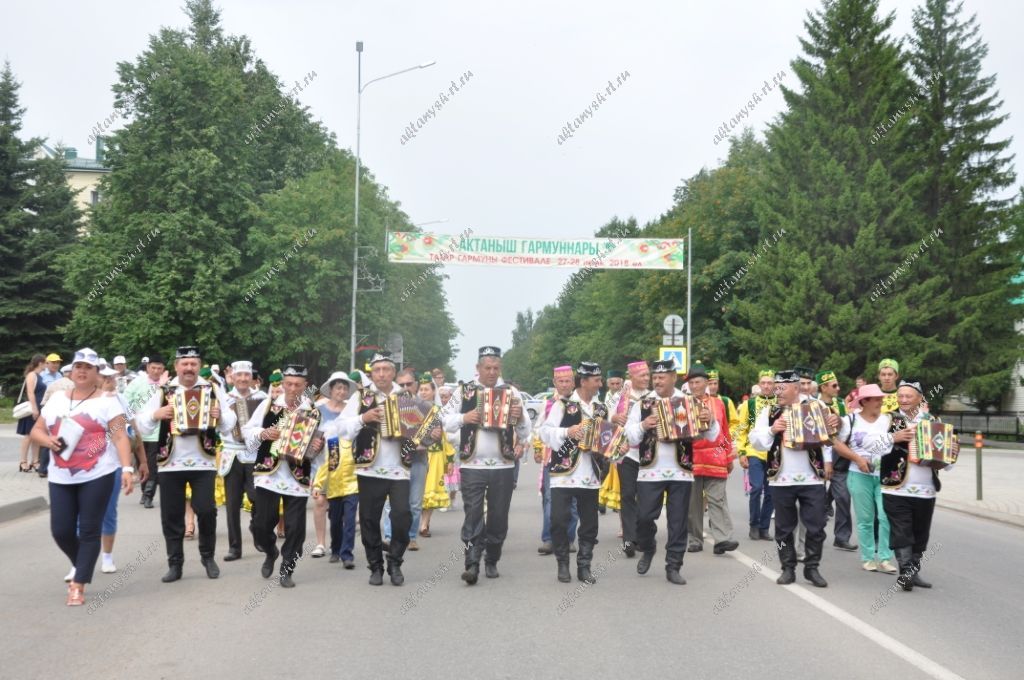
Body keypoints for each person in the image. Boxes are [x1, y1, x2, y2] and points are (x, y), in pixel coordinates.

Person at [30, 348, 136, 606]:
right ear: (71, 370)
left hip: (97, 474)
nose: (82, 371)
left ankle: (78, 584)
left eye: (88, 367)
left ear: (96, 373)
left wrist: (127, 469)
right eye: (78, 366)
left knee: (89, 530)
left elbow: (121, 436)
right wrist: (48, 440)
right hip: (60, 475)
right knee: (61, 530)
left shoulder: (108, 401)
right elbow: (37, 431)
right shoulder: (56, 400)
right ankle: (83, 563)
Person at [137, 346, 236, 583]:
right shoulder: (162, 390)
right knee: (171, 515)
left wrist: (220, 414)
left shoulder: (212, 388)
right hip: (170, 462)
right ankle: (175, 563)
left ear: (200, 365)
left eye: (193, 363)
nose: (189, 368)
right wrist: (155, 415)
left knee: (207, 510)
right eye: (185, 363)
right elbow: (141, 425)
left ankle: (207, 557)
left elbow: (230, 422)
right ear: (176, 366)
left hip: (203, 461)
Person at [625, 358, 718, 585]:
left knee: (678, 521)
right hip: (650, 470)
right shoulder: (642, 404)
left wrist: (711, 420)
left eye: (661, 377)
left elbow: (711, 436)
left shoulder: (689, 402)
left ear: (673, 378)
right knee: (644, 517)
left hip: (680, 471)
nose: (656, 381)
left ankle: (673, 565)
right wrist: (643, 425)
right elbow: (628, 436)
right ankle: (648, 547)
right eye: (654, 377)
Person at [443, 346, 531, 584]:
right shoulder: (465, 392)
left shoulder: (511, 392)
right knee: (472, 514)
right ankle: (471, 562)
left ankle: (492, 557)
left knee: (498, 516)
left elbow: (526, 432)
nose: (492, 372)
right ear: (478, 368)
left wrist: (520, 416)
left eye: (496, 368)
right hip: (472, 464)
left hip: (503, 465)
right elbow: (443, 419)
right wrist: (464, 417)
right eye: (487, 368)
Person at [327, 350, 413, 586]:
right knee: (368, 520)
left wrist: (427, 435)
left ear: (393, 372)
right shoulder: (361, 397)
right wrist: (363, 419)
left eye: (386, 370)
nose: (382, 374)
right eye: (377, 370)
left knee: (403, 516)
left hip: (399, 469)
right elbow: (340, 428)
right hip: (369, 468)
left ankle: (395, 561)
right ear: (371, 373)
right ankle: (375, 565)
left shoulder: (406, 396)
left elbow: (423, 431)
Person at [749, 370, 836, 588]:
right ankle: (787, 568)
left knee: (816, 526)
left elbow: (832, 435)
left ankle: (812, 567)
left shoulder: (817, 407)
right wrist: (771, 430)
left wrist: (828, 458)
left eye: (781, 388)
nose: (776, 391)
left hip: (812, 478)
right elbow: (756, 441)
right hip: (781, 478)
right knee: (784, 529)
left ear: (796, 388)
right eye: (775, 387)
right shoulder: (770, 411)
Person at [243, 364, 324, 588]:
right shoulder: (269, 404)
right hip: (268, 473)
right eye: (288, 384)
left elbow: (318, 448)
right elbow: (248, 431)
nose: (292, 388)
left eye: (297, 385)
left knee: (296, 528)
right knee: (262, 523)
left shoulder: (313, 411)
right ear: (282, 384)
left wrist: (318, 446)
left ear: (305, 386)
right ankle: (270, 551)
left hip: (297, 476)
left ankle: (287, 569)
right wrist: (264, 433)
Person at [881, 379, 958, 591]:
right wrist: (893, 438)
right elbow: (871, 447)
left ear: (920, 399)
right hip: (894, 486)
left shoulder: (933, 420)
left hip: (926, 490)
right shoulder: (889, 419)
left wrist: (951, 454)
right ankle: (906, 572)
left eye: (908, 396)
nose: (903, 400)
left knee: (920, 533)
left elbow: (946, 454)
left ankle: (913, 571)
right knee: (901, 529)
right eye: (900, 396)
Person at [539, 361, 610, 583]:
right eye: (597, 380)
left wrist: (617, 446)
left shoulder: (601, 408)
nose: (601, 384)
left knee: (590, 525)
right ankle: (562, 563)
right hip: (564, 474)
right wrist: (568, 431)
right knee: (559, 520)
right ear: (585, 381)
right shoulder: (563, 405)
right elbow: (544, 432)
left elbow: (609, 441)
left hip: (591, 475)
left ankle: (584, 566)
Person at [832, 384, 898, 575]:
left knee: (886, 517)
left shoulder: (888, 420)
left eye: (881, 398)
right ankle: (868, 558)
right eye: (876, 399)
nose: (880, 402)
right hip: (859, 475)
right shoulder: (850, 420)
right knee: (866, 519)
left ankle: (885, 558)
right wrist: (858, 459)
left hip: (885, 476)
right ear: (864, 401)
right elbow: (836, 443)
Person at [686, 363, 738, 555]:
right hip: (692, 457)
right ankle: (694, 539)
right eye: (691, 383)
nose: (694, 386)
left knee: (717, 499)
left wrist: (728, 455)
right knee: (693, 502)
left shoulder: (718, 403)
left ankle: (722, 539)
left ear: (706, 383)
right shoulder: (684, 403)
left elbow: (724, 430)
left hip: (715, 457)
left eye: (697, 382)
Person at [219, 360, 266, 561]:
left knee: (258, 499)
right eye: (239, 375)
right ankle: (234, 547)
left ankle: (258, 532)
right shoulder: (225, 398)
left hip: (255, 454)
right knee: (232, 503)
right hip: (232, 455)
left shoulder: (262, 398)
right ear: (233, 377)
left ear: (252, 377)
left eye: (247, 375)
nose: (243, 379)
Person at [313, 371, 361, 568]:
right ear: (330, 389)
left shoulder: (354, 411)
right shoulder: (317, 409)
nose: (341, 391)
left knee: (349, 519)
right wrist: (318, 482)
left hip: (353, 476)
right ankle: (333, 547)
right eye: (338, 387)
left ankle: (347, 554)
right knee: (333, 515)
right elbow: (327, 464)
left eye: (344, 388)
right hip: (327, 464)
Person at [607, 361, 652, 557]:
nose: (647, 379)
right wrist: (613, 419)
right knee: (627, 495)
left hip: (649, 455)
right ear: (632, 377)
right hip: (625, 453)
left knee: (645, 497)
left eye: (647, 375)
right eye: (642, 375)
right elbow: (602, 420)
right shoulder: (617, 398)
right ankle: (629, 540)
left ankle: (642, 535)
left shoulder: (653, 397)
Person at [535, 366, 579, 555]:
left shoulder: (581, 403)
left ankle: (568, 539)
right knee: (550, 499)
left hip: (577, 459)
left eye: (567, 380)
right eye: (560, 381)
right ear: (554, 383)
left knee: (574, 501)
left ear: (574, 382)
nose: (564, 384)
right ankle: (548, 538)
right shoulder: (547, 404)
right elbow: (538, 428)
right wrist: (538, 448)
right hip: (552, 457)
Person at [734, 370, 777, 540]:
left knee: (771, 492)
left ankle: (764, 527)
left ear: (774, 385)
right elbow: (741, 429)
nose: (766, 386)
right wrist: (741, 452)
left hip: (773, 454)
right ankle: (754, 524)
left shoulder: (780, 404)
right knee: (757, 487)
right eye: (763, 383)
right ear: (759, 384)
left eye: (770, 383)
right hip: (754, 451)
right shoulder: (749, 405)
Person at [817, 369, 856, 552]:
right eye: (834, 385)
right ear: (823, 387)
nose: (838, 388)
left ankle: (841, 537)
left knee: (843, 497)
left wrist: (840, 421)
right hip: (816, 456)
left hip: (838, 456)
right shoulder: (812, 405)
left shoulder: (841, 405)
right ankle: (814, 532)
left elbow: (846, 429)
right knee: (814, 498)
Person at [124, 355, 166, 509]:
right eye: (153, 368)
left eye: (159, 368)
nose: (156, 371)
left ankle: (148, 495)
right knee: (142, 462)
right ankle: (144, 490)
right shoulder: (137, 383)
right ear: (147, 368)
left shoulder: (165, 385)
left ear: (163, 370)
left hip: (157, 431)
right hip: (137, 430)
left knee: (152, 463)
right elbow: (125, 400)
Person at [417, 378, 451, 536]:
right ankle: (416, 523)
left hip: (435, 453)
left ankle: (424, 524)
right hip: (417, 452)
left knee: (431, 489)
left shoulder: (439, 410)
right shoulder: (413, 408)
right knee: (418, 489)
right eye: (421, 389)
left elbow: (445, 436)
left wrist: (449, 458)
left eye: (427, 389)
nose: (424, 392)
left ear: (433, 392)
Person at [16, 354, 47, 472]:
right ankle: (23, 461)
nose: (46, 365)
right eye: (45, 362)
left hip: (39, 407)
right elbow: (30, 392)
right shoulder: (31, 375)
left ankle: (35, 461)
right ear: (40, 363)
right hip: (33, 408)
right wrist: (35, 408)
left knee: (36, 436)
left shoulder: (39, 376)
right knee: (28, 435)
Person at [439, 386, 460, 508]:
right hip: (439, 447)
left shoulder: (456, 410)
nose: (443, 399)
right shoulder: (436, 410)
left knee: (453, 472)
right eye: (441, 397)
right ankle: (443, 497)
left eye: (445, 397)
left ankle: (452, 496)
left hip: (454, 444)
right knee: (441, 473)